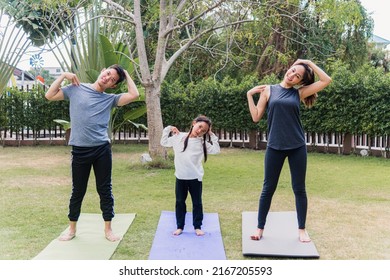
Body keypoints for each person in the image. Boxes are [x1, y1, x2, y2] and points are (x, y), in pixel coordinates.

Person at [45, 64, 139, 242]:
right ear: (103, 70)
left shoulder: (110, 99)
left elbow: (134, 95)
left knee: (104, 190)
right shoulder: (76, 88)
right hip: (80, 150)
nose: (108, 78)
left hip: (101, 150)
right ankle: (72, 230)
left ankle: (108, 230)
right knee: (77, 191)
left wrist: (124, 73)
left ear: (112, 85)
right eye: (108, 73)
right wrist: (64, 75)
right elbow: (49, 95)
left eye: (113, 80)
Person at [247, 59, 332, 242]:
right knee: (268, 188)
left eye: (298, 76)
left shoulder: (299, 93)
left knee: (299, 189)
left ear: (301, 82)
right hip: (274, 146)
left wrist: (308, 62)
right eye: (293, 71)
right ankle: (259, 228)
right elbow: (255, 117)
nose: (292, 75)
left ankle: (302, 229)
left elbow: (326, 80)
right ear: (289, 68)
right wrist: (249, 94)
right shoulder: (269, 90)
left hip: (297, 147)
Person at [160, 115, 220, 236]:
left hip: (195, 179)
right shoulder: (179, 137)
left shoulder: (202, 143)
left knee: (197, 203)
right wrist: (169, 128)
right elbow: (164, 142)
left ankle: (197, 226)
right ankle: (180, 226)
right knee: (180, 202)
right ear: (194, 123)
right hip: (181, 177)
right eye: (200, 127)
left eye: (204, 131)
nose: (200, 131)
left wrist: (212, 135)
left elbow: (216, 150)